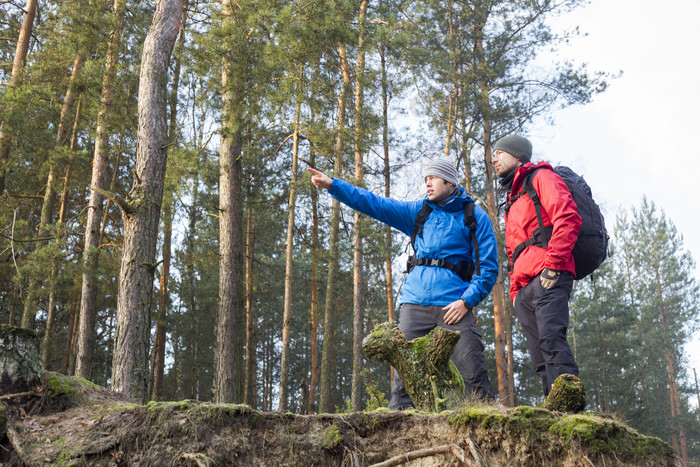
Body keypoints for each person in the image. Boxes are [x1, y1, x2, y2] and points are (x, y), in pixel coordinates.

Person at [307, 158, 499, 408]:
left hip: (454, 306)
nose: (427, 183)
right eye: (425, 179)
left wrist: (467, 301)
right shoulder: (418, 212)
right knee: (404, 379)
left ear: (449, 181)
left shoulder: (474, 216)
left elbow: (488, 269)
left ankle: (486, 424)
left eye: (433, 177)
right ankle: (398, 428)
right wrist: (334, 185)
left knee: (472, 371)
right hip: (414, 305)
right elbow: (374, 204)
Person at [491, 134, 582, 397]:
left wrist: (552, 266)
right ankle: (554, 411)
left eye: (499, 152)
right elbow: (513, 251)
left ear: (517, 155)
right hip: (524, 288)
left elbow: (568, 217)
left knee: (553, 342)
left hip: (549, 276)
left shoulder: (542, 177)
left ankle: (571, 412)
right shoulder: (512, 196)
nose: (493, 158)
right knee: (539, 357)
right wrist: (515, 292)